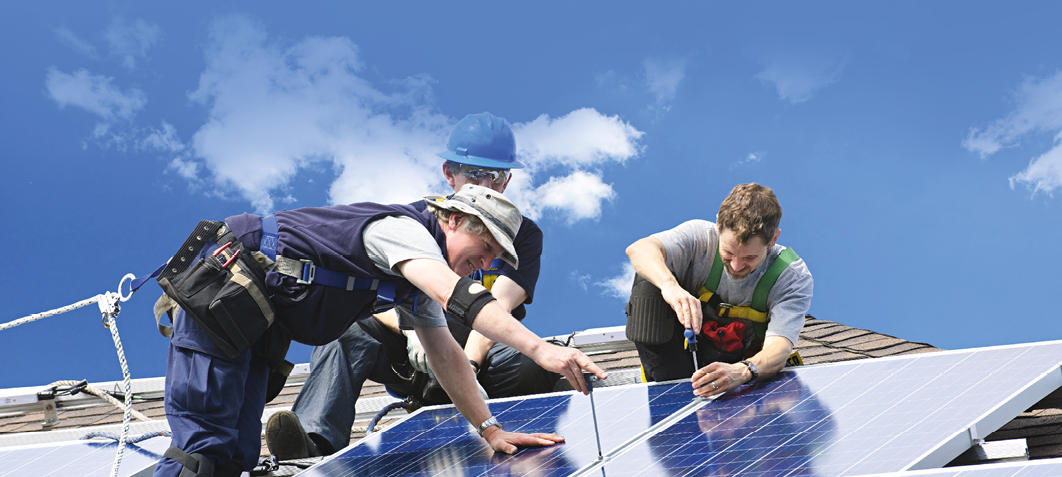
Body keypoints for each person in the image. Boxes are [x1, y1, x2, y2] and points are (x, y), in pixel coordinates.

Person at [153, 183, 605, 477]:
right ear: (451, 220)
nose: (486, 265)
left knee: (236, 458)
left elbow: (446, 355)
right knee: (204, 453)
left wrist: (490, 430)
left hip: (256, 326)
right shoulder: (403, 232)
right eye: (485, 247)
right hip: (224, 295)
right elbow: (458, 297)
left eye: (494, 260)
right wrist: (541, 350)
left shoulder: (415, 282)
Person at [265, 112, 560, 460]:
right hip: (415, 354)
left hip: (480, 356)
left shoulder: (520, 236)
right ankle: (312, 445)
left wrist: (469, 365)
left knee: (535, 361)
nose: (486, 184)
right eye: (474, 173)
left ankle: (526, 427)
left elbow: (498, 306)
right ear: (450, 175)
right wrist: (411, 333)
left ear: (507, 181)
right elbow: (385, 294)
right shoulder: (416, 223)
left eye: (495, 175)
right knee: (347, 330)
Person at [624, 183, 812, 397]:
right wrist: (669, 286)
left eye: (750, 258)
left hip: (738, 370)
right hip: (676, 362)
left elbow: (779, 347)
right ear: (717, 227)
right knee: (648, 281)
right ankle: (671, 391)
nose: (736, 266)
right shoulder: (699, 238)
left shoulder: (790, 275)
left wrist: (743, 371)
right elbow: (639, 249)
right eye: (728, 253)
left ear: (774, 240)